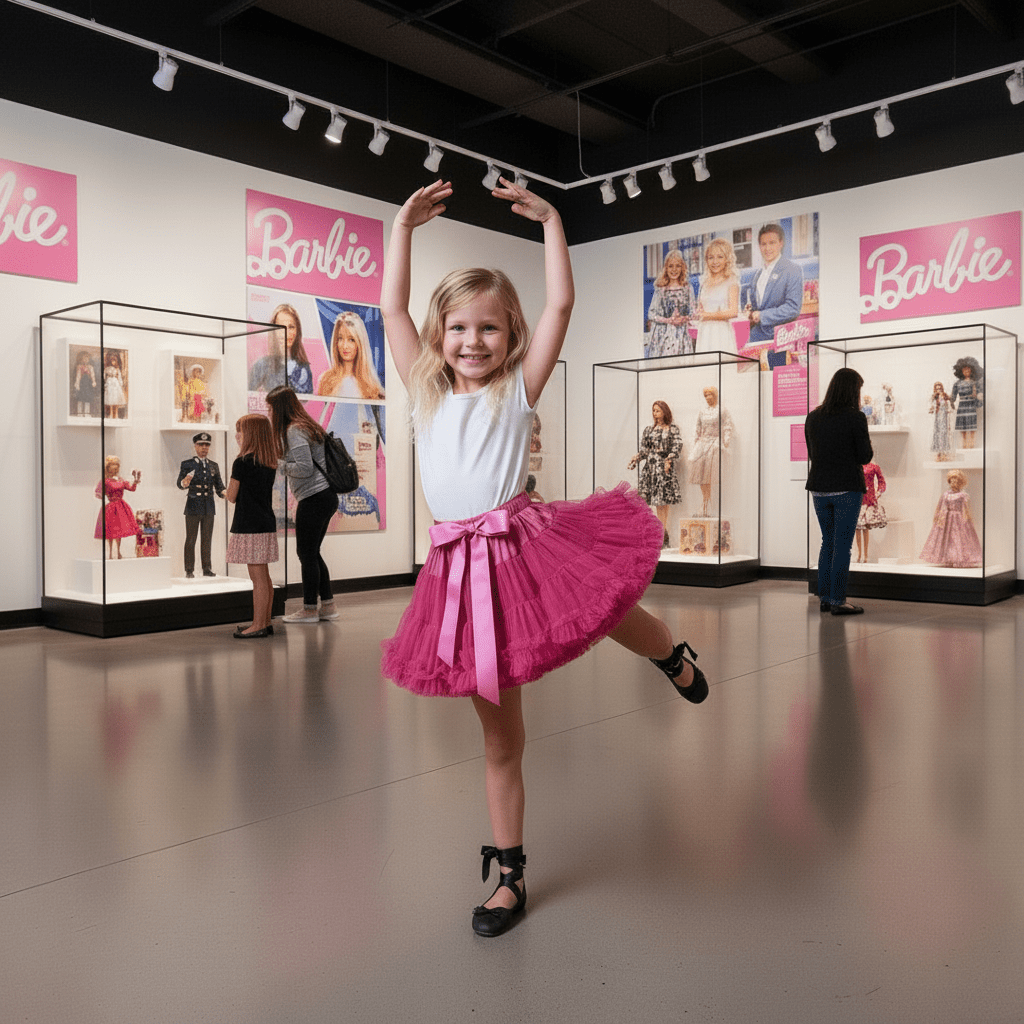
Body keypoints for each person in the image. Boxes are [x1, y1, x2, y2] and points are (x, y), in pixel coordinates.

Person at [379, 177, 709, 940]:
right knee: (501, 739)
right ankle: (510, 875)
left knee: (609, 610)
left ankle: (670, 655)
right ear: (438, 335)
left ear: (511, 336)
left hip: (524, 541)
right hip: (458, 576)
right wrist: (402, 230)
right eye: (458, 328)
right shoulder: (423, 391)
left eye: (489, 329)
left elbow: (560, 305)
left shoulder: (518, 390)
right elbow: (392, 310)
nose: (471, 342)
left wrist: (556, 221)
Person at [265, 385, 339, 623]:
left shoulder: (294, 430)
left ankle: (309, 610)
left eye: (271, 408)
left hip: (314, 497)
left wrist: (279, 464)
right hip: (324, 496)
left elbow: (305, 469)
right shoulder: (306, 425)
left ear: (280, 408)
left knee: (306, 554)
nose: (269, 412)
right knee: (313, 553)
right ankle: (327, 606)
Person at [805, 367, 872, 615]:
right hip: (846, 488)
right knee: (843, 546)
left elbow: (813, 454)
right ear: (853, 390)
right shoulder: (856, 417)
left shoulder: (813, 417)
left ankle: (825, 597)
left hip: (819, 488)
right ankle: (838, 600)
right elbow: (865, 456)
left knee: (828, 543)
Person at [226, 414, 280, 638]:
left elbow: (231, 495)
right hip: (265, 522)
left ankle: (257, 625)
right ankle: (264, 621)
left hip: (249, 524)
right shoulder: (269, 461)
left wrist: (223, 491)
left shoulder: (242, 462)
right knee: (264, 577)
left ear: (250, 434)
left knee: (257, 578)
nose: (237, 436)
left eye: (241, 431)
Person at [627, 400, 683, 544]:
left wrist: (669, 459)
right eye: (653, 410)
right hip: (650, 469)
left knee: (663, 503)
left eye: (658, 410)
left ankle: (663, 533)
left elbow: (677, 446)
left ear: (664, 411)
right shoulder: (648, 430)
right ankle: (658, 533)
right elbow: (645, 450)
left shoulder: (672, 429)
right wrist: (637, 458)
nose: (655, 413)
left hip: (663, 469)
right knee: (652, 502)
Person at [745, 223, 803, 354]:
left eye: (772, 243)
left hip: (781, 339)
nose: (767, 248)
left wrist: (762, 315)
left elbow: (793, 308)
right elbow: (758, 307)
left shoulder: (792, 269)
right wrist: (750, 313)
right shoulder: (758, 275)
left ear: (781, 243)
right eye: (763, 244)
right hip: (757, 337)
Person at [176, 432, 226, 579]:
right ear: (195, 446)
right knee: (191, 539)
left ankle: (206, 568)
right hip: (193, 505)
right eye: (201, 445)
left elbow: (219, 486)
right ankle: (189, 570)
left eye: (207, 445)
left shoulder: (213, 466)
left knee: (207, 538)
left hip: (208, 506)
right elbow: (180, 483)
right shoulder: (188, 464)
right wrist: (183, 483)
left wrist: (226, 493)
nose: (204, 448)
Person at [919, 469, 982, 568]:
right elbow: (940, 507)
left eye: (956, 480)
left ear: (960, 482)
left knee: (959, 538)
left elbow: (966, 509)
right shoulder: (945, 495)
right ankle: (948, 557)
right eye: (951, 480)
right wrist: (939, 518)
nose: (953, 482)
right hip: (947, 519)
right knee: (948, 539)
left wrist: (967, 520)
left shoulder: (963, 495)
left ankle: (960, 558)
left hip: (959, 518)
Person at [316, 311, 385, 399]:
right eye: (340, 338)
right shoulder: (325, 380)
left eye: (351, 339)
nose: (345, 346)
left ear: (359, 343)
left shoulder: (372, 387)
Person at [688, 386, 733, 518]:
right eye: (705, 395)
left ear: (715, 395)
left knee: (711, 474)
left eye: (710, 395)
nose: (708, 398)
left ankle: (712, 504)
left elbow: (727, 425)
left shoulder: (722, 410)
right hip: (702, 443)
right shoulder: (702, 411)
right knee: (701, 475)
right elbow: (698, 427)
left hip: (715, 444)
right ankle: (705, 502)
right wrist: (695, 443)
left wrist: (726, 440)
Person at [646, 250, 696, 357]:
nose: (674, 269)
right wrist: (668, 320)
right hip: (662, 338)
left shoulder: (688, 288)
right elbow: (651, 314)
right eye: (670, 266)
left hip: (682, 337)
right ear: (666, 268)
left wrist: (683, 319)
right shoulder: (660, 289)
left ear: (682, 267)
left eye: (677, 266)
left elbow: (693, 312)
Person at [694, 238, 739, 354]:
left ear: (727, 259)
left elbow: (733, 312)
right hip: (704, 333)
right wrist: (697, 313)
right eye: (711, 257)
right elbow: (700, 309)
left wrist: (707, 316)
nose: (715, 262)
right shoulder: (704, 282)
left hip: (721, 334)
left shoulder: (732, 281)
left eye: (720, 257)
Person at [94, 456, 141, 559]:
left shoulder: (120, 480)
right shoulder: (105, 481)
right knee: (110, 531)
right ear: (108, 468)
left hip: (121, 507)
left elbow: (131, 488)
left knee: (119, 530)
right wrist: (102, 494)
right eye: (112, 466)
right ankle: (110, 552)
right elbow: (98, 493)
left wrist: (135, 481)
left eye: (116, 466)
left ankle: (118, 552)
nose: (114, 468)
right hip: (111, 507)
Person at [268, 303, 313, 394]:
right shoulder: (263, 365)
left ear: (297, 331)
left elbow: (306, 397)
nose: (286, 332)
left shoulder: (304, 367)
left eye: (291, 327)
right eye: (281, 327)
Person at [854, 461, 886, 563]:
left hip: (869, 499)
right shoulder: (855, 465)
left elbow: (882, 481)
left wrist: (878, 492)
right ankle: (859, 554)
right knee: (857, 527)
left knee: (865, 527)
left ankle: (865, 555)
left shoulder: (874, 467)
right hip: (857, 498)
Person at [951, 356, 983, 450]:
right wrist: (951, 401)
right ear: (961, 371)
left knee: (972, 426)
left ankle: (971, 443)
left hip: (971, 405)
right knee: (963, 426)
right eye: (964, 370)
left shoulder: (975, 383)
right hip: (962, 405)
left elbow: (979, 392)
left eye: (968, 370)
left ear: (971, 371)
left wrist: (979, 396)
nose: (966, 371)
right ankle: (964, 444)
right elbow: (953, 394)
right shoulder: (957, 383)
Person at [928, 381, 954, 460]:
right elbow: (930, 406)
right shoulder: (935, 398)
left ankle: (945, 453)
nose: (939, 390)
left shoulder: (945, 396)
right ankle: (939, 453)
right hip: (938, 418)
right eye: (937, 389)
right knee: (938, 434)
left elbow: (950, 405)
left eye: (940, 388)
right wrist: (931, 407)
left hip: (945, 418)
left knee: (944, 434)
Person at [71, 350, 98, 417]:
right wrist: (77, 383)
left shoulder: (90, 367)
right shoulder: (79, 366)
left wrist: (94, 381)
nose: (86, 360)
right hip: (82, 384)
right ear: (81, 359)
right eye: (84, 358)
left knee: (87, 398)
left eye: (87, 358)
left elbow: (92, 375)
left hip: (88, 384)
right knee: (80, 398)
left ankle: (87, 413)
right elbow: (78, 375)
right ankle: (79, 412)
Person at [103, 351, 127, 420]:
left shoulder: (117, 369)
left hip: (116, 386)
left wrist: (121, 385)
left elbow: (119, 378)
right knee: (110, 400)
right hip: (110, 385)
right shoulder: (107, 369)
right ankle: (110, 414)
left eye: (114, 361)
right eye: (112, 361)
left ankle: (115, 415)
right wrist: (105, 384)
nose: (113, 362)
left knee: (116, 401)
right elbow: (104, 377)